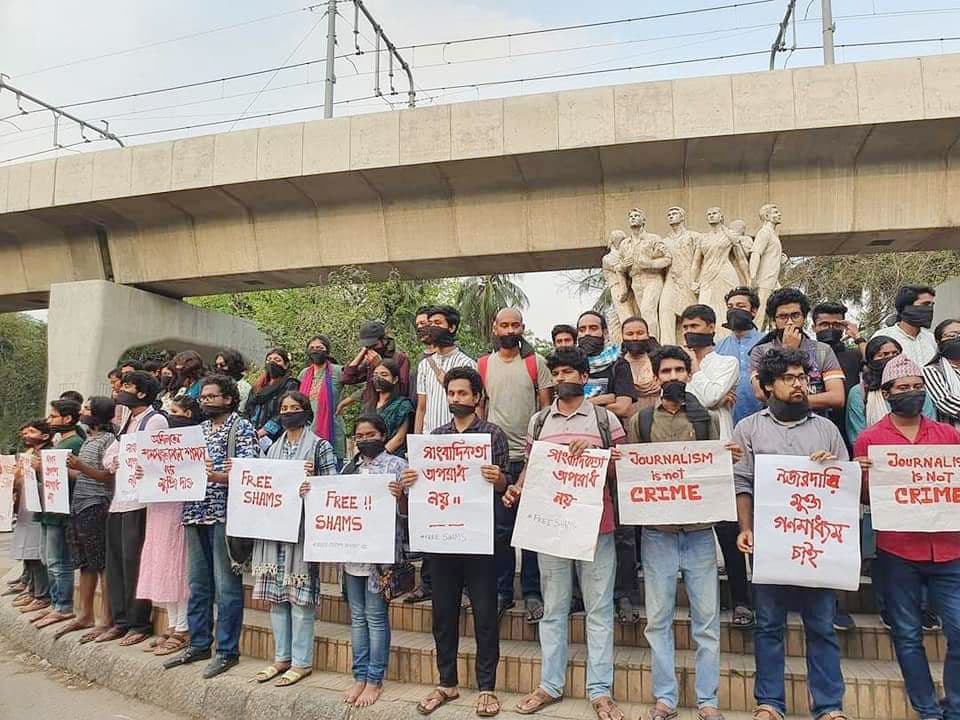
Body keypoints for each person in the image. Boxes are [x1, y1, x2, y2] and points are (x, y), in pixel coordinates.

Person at [504, 348, 626, 720]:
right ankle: (550, 685)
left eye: (569, 371)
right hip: (551, 529)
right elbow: (531, 468)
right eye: (555, 372)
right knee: (553, 608)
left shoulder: (605, 420)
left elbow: (622, 471)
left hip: (596, 529)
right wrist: (517, 489)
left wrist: (596, 453)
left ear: (585, 378)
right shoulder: (539, 421)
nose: (560, 378)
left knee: (599, 610)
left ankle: (600, 691)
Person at [733, 348, 849, 720]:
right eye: (790, 379)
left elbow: (845, 486)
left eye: (803, 377)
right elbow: (742, 483)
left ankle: (829, 707)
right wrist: (746, 528)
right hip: (771, 546)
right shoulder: (748, 428)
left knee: (821, 627)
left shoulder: (827, 429)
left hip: (818, 548)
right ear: (768, 386)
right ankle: (769, 703)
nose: (800, 385)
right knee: (768, 626)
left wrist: (832, 468)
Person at [627, 346, 739, 720]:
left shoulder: (707, 418)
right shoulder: (640, 421)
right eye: (666, 371)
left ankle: (708, 701)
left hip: (699, 534)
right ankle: (665, 700)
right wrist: (621, 463)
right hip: (657, 534)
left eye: (679, 370)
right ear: (657, 377)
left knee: (706, 622)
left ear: (689, 375)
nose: (673, 377)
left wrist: (729, 458)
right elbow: (635, 475)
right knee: (657, 621)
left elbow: (715, 472)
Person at [853, 354, 960, 720]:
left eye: (917, 387)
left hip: (950, 550)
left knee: (959, 631)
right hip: (898, 551)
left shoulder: (949, 436)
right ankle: (928, 710)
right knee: (908, 635)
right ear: (886, 393)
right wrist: (859, 475)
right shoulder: (870, 440)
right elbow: (866, 499)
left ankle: (955, 707)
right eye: (903, 388)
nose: (912, 393)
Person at [403, 367, 509, 718]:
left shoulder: (492, 435)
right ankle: (446, 683)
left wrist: (498, 480)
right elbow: (424, 485)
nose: (456, 399)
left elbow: (505, 486)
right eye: (451, 394)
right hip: (443, 540)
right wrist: (412, 479)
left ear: (477, 397)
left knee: (484, 616)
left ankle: (486, 688)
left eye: (463, 393)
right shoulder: (435, 437)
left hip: (480, 540)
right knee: (443, 615)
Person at [164, 374, 257, 679]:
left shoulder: (241, 428)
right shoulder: (198, 430)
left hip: (224, 515)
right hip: (193, 512)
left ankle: (227, 651)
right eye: (202, 397)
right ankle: (199, 643)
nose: (205, 401)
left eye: (211, 396)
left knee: (227, 587)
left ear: (229, 399)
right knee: (198, 584)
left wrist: (219, 477)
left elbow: (251, 470)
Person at [251, 391, 338, 688]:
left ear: (306, 411)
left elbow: (332, 486)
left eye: (294, 407)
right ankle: (281, 658)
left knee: (300, 600)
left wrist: (311, 485)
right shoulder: (271, 449)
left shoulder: (320, 446)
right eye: (284, 408)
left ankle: (301, 663)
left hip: (301, 533)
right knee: (276, 599)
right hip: (273, 532)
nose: (288, 412)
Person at [479, 308, 553, 623]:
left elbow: (547, 409)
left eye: (515, 324)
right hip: (497, 458)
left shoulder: (536, 364)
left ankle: (533, 593)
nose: (509, 329)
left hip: (531, 456)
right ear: (495, 328)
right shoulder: (483, 364)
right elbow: (481, 409)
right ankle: (502, 591)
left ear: (523, 327)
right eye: (503, 324)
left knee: (532, 528)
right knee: (500, 530)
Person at [335, 414, 408, 708]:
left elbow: (410, 511)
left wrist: (401, 496)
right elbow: (335, 501)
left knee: (376, 618)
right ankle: (359, 676)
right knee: (356, 617)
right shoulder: (348, 467)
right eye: (360, 436)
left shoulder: (398, 466)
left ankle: (375, 679)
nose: (365, 440)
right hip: (352, 554)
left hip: (381, 556)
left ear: (383, 434)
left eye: (370, 434)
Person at [97, 370, 166, 646]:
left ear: (141, 393)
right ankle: (121, 619)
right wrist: (114, 460)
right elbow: (112, 454)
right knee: (115, 562)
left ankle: (139, 622)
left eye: (127, 385)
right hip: (120, 499)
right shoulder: (128, 419)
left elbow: (154, 456)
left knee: (133, 561)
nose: (121, 390)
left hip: (140, 500)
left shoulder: (155, 420)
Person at [136, 395, 201, 656]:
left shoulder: (194, 443)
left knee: (178, 567)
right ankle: (173, 625)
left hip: (179, 509)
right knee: (162, 565)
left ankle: (183, 628)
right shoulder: (158, 445)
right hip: (159, 508)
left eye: (175, 411)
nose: (169, 415)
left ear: (188, 415)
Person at [57, 397, 116, 642]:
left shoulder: (108, 440)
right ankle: (84, 614)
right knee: (85, 563)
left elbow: (108, 476)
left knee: (101, 564)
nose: (82, 412)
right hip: (79, 505)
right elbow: (81, 474)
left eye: (87, 409)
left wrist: (79, 466)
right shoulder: (90, 439)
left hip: (97, 505)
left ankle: (105, 618)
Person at [30, 399, 84, 628]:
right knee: (47, 558)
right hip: (48, 507)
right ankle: (54, 602)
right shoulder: (58, 442)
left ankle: (63, 605)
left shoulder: (75, 442)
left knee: (58, 560)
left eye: (53, 416)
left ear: (68, 418)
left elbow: (80, 474)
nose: (49, 421)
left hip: (61, 509)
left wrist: (46, 467)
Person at [750, 288, 846, 416]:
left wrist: (786, 399)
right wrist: (788, 351)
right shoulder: (760, 352)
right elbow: (761, 393)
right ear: (774, 320)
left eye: (795, 315)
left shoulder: (823, 350)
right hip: (775, 426)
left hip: (815, 424)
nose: (789, 322)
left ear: (804, 318)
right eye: (783, 317)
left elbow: (837, 397)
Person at [847, 337, 937, 446]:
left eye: (895, 354)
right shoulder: (859, 392)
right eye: (883, 355)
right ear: (871, 360)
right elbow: (857, 436)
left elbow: (930, 425)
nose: (891, 358)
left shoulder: (917, 389)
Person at [10, 419, 52, 613]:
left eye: (32, 431)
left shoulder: (46, 454)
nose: (26, 434)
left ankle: (42, 594)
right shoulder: (29, 454)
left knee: (36, 552)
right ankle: (32, 589)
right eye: (25, 431)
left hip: (40, 507)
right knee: (28, 551)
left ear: (45, 436)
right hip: (26, 508)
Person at [414, 305, 477, 435]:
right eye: (430, 323)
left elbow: (476, 407)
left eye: (437, 323)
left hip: (457, 440)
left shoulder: (467, 364)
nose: (432, 327)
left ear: (452, 327)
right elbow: (421, 408)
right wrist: (416, 441)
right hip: (429, 439)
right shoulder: (424, 365)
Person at [681, 305, 739, 440]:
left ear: (711, 327)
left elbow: (710, 397)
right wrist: (717, 401)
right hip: (686, 437)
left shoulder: (728, 363)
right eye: (685, 327)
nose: (688, 331)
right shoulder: (678, 366)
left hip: (720, 437)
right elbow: (674, 399)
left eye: (694, 326)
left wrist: (694, 365)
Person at [811, 302, 865, 446]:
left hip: (848, 427)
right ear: (813, 328)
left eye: (836, 324)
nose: (830, 328)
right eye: (824, 324)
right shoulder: (805, 354)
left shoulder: (853, 355)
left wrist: (857, 336)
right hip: (813, 426)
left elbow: (875, 362)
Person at [716, 286, 764, 425]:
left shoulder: (767, 343)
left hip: (764, 421)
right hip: (728, 422)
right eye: (730, 307)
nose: (734, 310)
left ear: (753, 311)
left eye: (740, 306)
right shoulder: (718, 348)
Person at [577, 310, 637, 418]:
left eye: (593, 328)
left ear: (604, 333)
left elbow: (623, 408)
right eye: (582, 329)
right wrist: (608, 398)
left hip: (608, 432)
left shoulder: (618, 364)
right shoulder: (570, 364)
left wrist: (581, 407)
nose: (587, 333)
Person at [298, 335, 348, 462]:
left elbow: (365, 385)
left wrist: (347, 401)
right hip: (307, 432)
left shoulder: (337, 371)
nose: (315, 350)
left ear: (327, 351)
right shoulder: (304, 374)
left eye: (319, 347)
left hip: (332, 430)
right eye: (312, 348)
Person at [342, 320, 411, 408]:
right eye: (367, 346)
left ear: (384, 340)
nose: (371, 348)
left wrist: (380, 365)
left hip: (390, 411)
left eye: (374, 345)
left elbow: (403, 390)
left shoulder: (400, 358)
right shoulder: (369, 360)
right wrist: (362, 353)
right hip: (370, 410)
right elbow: (347, 379)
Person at [247, 348, 301, 451]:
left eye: (277, 360)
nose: (272, 362)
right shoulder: (258, 387)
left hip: (276, 438)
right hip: (252, 436)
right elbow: (247, 409)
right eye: (269, 360)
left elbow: (286, 412)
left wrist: (264, 431)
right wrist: (250, 431)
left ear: (285, 365)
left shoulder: (290, 384)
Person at [870, 285, 938, 367]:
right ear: (906, 307)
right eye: (925, 304)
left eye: (932, 305)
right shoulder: (883, 336)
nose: (930, 309)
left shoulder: (931, 339)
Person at [364, 359, 415, 456]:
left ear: (395, 379)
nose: (378, 378)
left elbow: (399, 438)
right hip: (367, 458)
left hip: (392, 457)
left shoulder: (403, 405)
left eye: (384, 375)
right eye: (375, 375)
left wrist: (380, 457)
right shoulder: (368, 405)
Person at [922, 318, 960, 427]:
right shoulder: (931, 371)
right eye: (952, 335)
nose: (958, 338)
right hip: (953, 435)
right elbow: (945, 402)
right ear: (939, 342)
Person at [620, 316, 660, 412]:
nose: (635, 338)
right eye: (630, 334)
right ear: (622, 337)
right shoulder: (617, 365)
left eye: (640, 333)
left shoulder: (661, 361)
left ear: (648, 335)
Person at [215, 349, 251, 414]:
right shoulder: (215, 384)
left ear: (233, 365)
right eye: (216, 365)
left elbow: (241, 411)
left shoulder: (243, 387)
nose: (218, 368)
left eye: (222, 365)